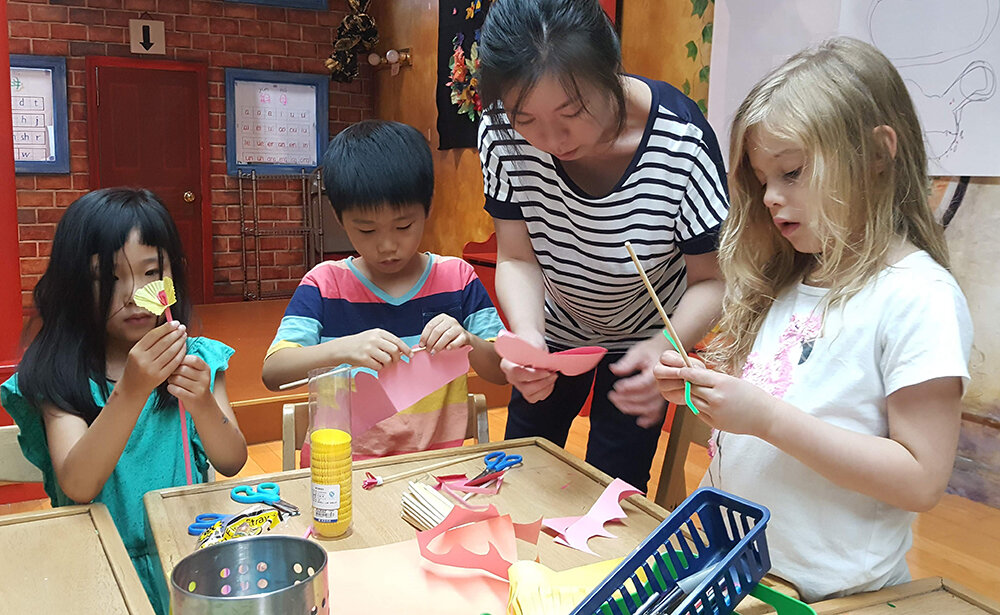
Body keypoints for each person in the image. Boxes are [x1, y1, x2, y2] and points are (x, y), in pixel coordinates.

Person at [653, 38, 974, 601]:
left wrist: (767, 418)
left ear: (878, 154)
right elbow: (787, 406)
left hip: (833, 596)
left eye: (793, 172)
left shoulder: (918, 297)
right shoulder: (790, 281)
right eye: (761, 180)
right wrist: (704, 389)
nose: (771, 197)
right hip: (742, 574)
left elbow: (921, 479)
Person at [476, 0, 729, 490]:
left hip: (647, 337)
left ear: (612, 72)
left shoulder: (681, 141)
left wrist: (664, 345)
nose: (550, 139)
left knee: (615, 488)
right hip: (555, 327)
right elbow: (516, 256)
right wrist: (528, 335)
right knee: (518, 474)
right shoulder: (501, 132)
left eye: (572, 112)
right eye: (526, 118)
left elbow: (712, 278)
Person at [1, 188, 248, 613]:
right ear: (74, 284)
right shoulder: (61, 376)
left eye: (152, 273)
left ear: (173, 277)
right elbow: (78, 484)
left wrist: (203, 403)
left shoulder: (198, 359)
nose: (135, 294)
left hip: (189, 566)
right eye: (108, 278)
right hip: (97, 573)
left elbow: (232, 460)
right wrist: (132, 390)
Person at [262, 120, 505, 457]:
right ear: (339, 217)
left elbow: (502, 373)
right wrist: (344, 349)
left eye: (404, 225)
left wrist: (468, 340)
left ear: (428, 208)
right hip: (342, 473)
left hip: (435, 472)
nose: (388, 245)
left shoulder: (457, 279)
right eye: (366, 230)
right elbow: (273, 372)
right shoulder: (324, 284)